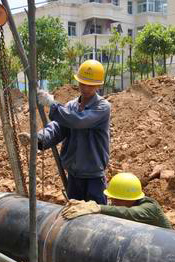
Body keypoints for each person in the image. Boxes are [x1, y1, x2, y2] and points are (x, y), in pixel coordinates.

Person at [19, 59, 111, 204]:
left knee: (96, 217)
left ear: (98, 85)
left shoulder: (102, 107)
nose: (85, 87)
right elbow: (57, 129)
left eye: (90, 85)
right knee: (73, 216)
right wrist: (37, 138)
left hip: (93, 176)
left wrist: (52, 104)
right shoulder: (71, 106)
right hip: (73, 175)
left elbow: (79, 121)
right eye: (82, 83)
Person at [61, 172, 172, 229]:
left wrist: (98, 208)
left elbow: (129, 213)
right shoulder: (129, 204)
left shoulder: (150, 208)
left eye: (115, 199)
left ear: (128, 199)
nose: (112, 202)